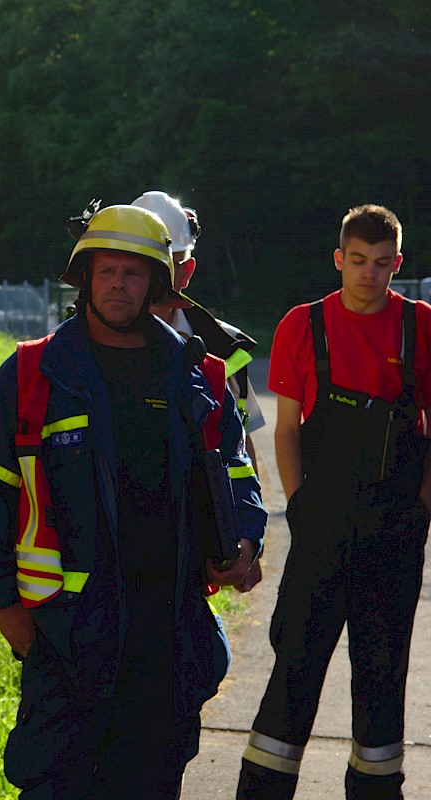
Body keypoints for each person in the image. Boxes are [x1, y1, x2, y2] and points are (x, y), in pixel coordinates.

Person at [0, 203, 266, 798]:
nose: (118, 284)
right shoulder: (32, 372)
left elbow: (236, 467)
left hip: (168, 635)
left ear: (157, 283)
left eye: (133, 272)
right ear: (85, 279)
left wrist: (245, 538)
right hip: (68, 636)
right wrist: (5, 603)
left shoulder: (196, 373)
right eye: (106, 271)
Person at [238, 205, 431, 799]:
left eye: (381, 264)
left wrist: (419, 509)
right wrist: (300, 509)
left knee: (381, 673)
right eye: (357, 262)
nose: (369, 275)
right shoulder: (303, 324)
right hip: (322, 527)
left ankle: (376, 790)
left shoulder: (421, 325)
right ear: (338, 259)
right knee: (295, 666)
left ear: (397, 263)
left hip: (394, 532)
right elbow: (286, 429)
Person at [133, 190, 267, 592]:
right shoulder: (80, 343)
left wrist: (251, 543)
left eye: (164, 266)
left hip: (192, 549)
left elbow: (244, 445)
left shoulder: (224, 349)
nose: (151, 277)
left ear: (186, 270)